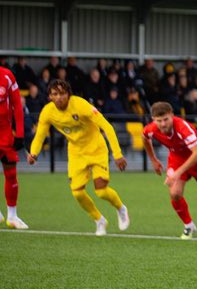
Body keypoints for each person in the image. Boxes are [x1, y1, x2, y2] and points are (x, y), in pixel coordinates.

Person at [27, 79, 130, 235]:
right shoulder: (48, 112)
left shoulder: (81, 105)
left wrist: (117, 154)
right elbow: (40, 135)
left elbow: (106, 126)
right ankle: (99, 220)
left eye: (62, 93)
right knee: (77, 192)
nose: (59, 97)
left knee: (101, 191)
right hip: (76, 153)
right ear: (49, 97)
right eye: (55, 94)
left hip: (96, 149)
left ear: (68, 94)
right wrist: (34, 152)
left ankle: (121, 208)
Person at [142, 101, 197, 239]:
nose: (163, 124)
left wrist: (177, 173)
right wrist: (153, 160)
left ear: (172, 116)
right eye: (159, 121)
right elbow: (144, 138)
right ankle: (189, 226)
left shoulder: (183, 128)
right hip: (176, 158)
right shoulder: (150, 129)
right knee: (175, 193)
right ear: (153, 120)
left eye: (166, 119)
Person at [0, 65, 28, 229]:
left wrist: (20, 134)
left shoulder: (7, 76)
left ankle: (12, 216)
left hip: (5, 135)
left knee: (11, 173)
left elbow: (18, 106)